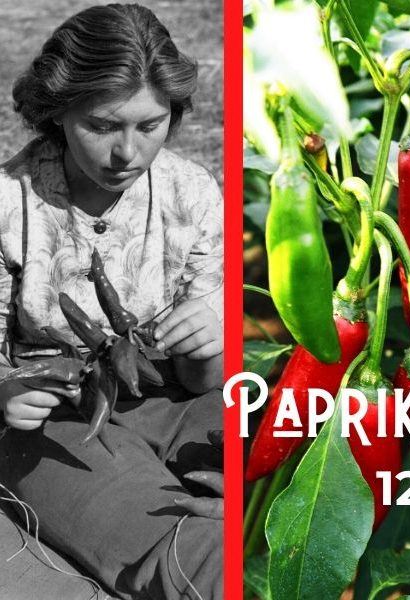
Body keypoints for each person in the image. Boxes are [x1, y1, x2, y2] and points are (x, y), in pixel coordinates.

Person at [0, 5, 223, 599]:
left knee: (261, 484)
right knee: (183, 549)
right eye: (103, 126)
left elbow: (203, 382)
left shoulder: (192, 193)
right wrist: (7, 392)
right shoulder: (9, 206)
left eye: (151, 125)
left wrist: (206, 347)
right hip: (58, 418)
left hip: (174, 396)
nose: (129, 152)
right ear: (57, 110)